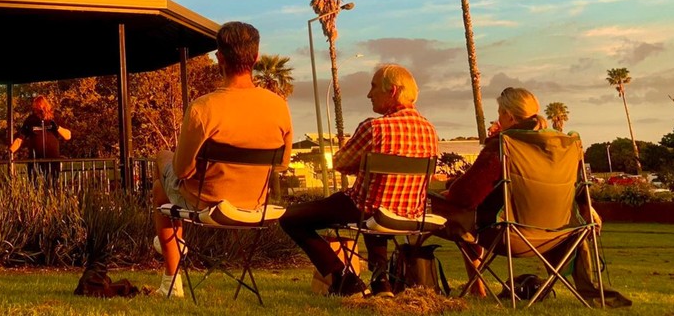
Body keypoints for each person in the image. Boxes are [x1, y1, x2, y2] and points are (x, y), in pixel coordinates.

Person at [432, 87, 631, 306]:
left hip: (508, 236)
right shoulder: (563, 145)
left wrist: (449, 187)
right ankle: (476, 286)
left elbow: (466, 195)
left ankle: (415, 279)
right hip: (559, 235)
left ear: (509, 115)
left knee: (441, 208)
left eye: (499, 113)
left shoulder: (504, 143)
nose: (498, 119)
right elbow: (579, 193)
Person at [151, 21, 294, 298]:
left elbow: (181, 170)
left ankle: (171, 278)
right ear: (255, 57)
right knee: (165, 186)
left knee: (161, 172)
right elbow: (282, 164)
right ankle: (172, 252)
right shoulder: (278, 106)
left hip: (207, 202)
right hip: (255, 205)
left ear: (220, 57)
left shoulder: (204, 108)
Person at [279, 64, 439, 297]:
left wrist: (361, 166)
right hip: (410, 213)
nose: (369, 94)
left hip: (367, 209)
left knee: (290, 217)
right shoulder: (430, 130)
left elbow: (341, 163)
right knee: (376, 207)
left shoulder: (374, 128)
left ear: (392, 91)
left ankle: (343, 279)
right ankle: (380, 281)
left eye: (373, 87)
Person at [9, 95, 72, 186]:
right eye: (36, 108)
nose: (39, 110)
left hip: (52, 161)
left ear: (46, 106)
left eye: (41, 107)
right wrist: (10, 151)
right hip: (35, 162)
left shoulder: (55, 117)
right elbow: (20, 139)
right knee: (35, 187)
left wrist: (58, 128)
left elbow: (68, 136)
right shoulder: (30, 120)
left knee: (52, 186)